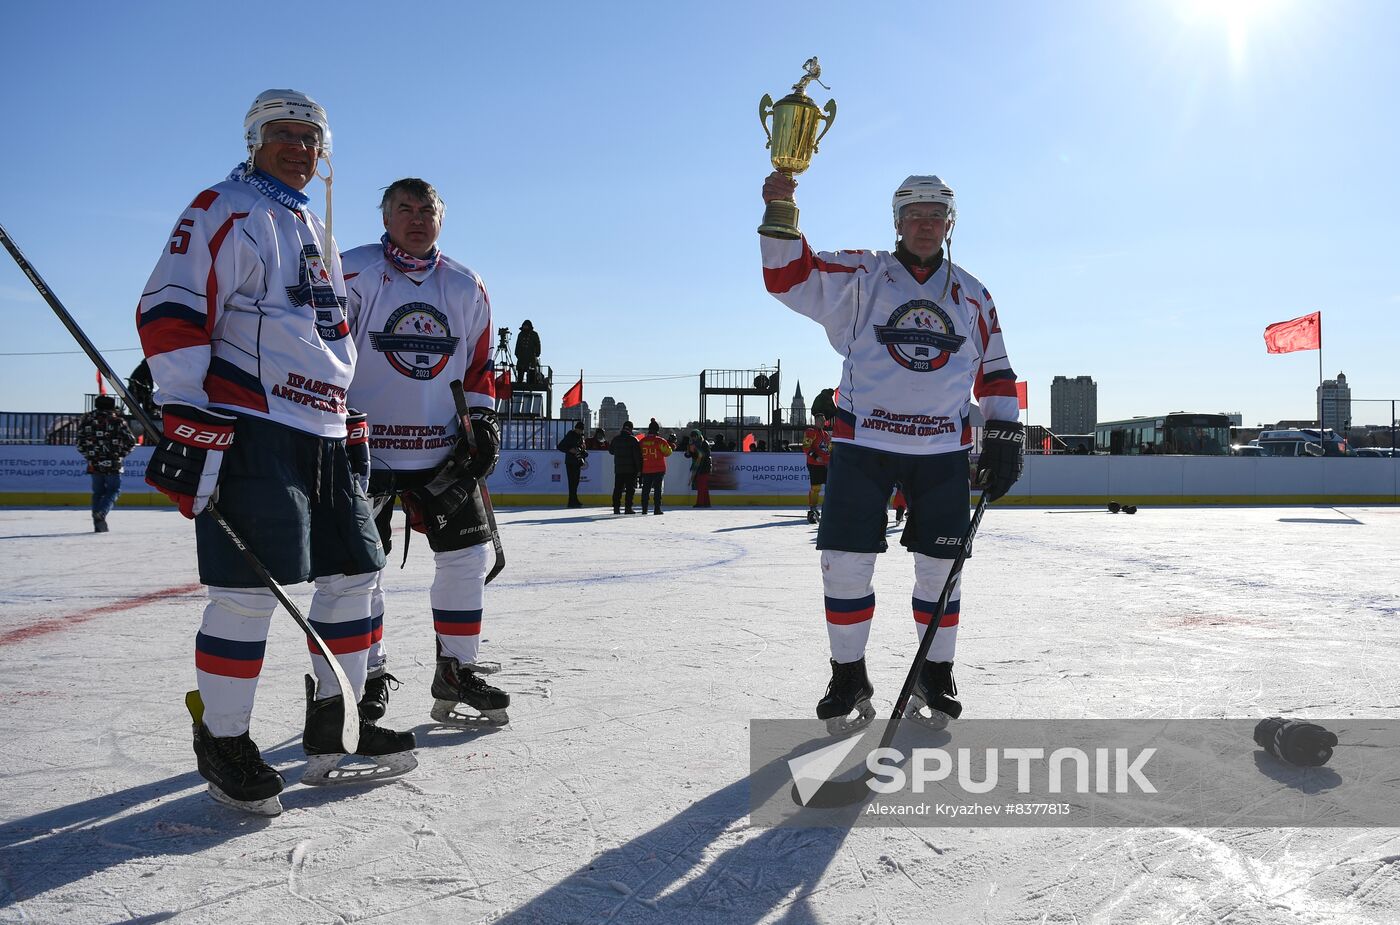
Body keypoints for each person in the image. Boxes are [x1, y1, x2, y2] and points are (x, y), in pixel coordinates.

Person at [136, 89, 415, 815]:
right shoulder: (224, 205)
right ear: (256, 139)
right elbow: (170, 306)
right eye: (284, 134)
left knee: (356, 571)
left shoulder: (310, 223)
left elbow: (326, 335)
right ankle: (224, 737)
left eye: (310, 138)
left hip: (323, 429)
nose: (300, 147)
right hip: (252, 422)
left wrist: (343, 408)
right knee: (247, 589)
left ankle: (336, 728)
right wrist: (187, 412)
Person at [760, 171, 1023, 734]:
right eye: (914, 216)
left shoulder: (974, 294)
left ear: (950, 224)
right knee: (845, 563)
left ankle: (937, 670)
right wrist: (782, 209)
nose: (925, 226)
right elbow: (789, 277)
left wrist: (1004, 435)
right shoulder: (864, 274)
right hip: (863, 446)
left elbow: (996, 374)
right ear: (897, 222)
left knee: (941, 571)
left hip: (942, 453)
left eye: (935, 216)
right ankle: (848, 674)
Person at [343, 177, 509, 729]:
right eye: (404, 209)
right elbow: (324, 356)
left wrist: (481, 419)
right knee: (359, 572)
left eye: (427, 210)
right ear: (384, 215)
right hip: (364, 454)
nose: (417, 218)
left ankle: (456, 671)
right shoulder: (352, 271)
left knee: (466, 562)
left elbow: (479, 367)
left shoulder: (466, 286)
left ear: (442, 218)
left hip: (444, 453)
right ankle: (366, 677)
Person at [75, 394, 136, 533]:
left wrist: (90, 456)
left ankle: (97, 518)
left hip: (94, 463)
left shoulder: (86, 420)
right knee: (114, 490)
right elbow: (131, 441)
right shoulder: (117, 420)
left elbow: (79, 443)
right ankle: (101, 513)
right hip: (113, 463)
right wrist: (120, 455)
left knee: (98, 492)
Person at [637, 418, 672, 514]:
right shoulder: (660, 441)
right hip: (659, 469)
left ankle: (644, 509)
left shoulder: (642, 441)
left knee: (645, 490)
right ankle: (657, 509)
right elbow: (668, 452)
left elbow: (638, 454)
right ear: (657, 430)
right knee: (657, 490)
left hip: (646, 469)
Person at [802, 411, 832, 524]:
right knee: (816, 487)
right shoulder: (811, 432)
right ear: (816, 421)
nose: (823, 422)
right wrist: (815, 456)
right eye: (821, 420)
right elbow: (805, 447)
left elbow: (829, 449)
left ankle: (828, 508)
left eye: (824, 421)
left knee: (830, 487)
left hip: (826, 464)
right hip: (814, 464)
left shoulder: (826, 434)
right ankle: (813, 509)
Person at [609, 420, 643, 514]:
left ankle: (616, 508)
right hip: (631, 470)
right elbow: (637, 456)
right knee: (629, 490)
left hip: (619, 469)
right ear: (631, 429)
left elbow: (611, 451)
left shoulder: (616, 439)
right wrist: (639, 469)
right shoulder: (633, 440)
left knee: (618, 489)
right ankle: (628, 508)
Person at [557, 420, 587, 507]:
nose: (580, 432)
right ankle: (572, 501)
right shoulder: (570, 435)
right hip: (570, 462)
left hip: (577, 461)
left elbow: (581, 448)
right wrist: (570, 450)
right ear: (576, 429)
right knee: (572, 482)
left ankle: (574, 499)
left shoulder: (580, 437)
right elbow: (560, 446)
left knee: (576, 482)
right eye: (579, 430)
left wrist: (584, 452)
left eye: (581, 430)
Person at [685, 429, 712, 507]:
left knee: (701, 486)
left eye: (695, 436)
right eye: (692, 437)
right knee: (703, 486)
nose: (693, 438)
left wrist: (695, 450)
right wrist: (688, 452)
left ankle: (700, 503)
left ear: (698, 435)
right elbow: (689, 455)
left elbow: (705, 455)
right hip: (699, 466)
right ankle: (706, 503)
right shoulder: (693, 444)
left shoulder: (704, 443)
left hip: (704, 466)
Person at [514, 319, 541, 387]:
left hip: (531, 356)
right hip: (521, 357)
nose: (525, 327)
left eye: (526, 326)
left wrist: (537, 353)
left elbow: (538, 344)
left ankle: (531, 382)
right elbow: (518, 345)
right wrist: (517, 353)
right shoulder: (520, 334)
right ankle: (519, 381)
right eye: (524, 326)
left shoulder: (534, 334)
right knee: (520, 370)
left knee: (531, 371)